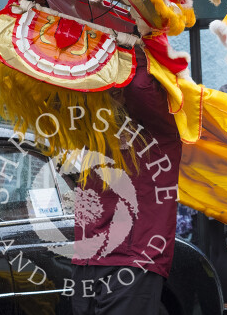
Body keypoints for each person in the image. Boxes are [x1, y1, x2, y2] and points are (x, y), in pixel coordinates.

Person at [71, 48, 182, 315]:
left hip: (136, 260)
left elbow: (143, 87)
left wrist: (131, 43)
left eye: (115, 89)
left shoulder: (161, 133)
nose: (108, 96)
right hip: (87, 258)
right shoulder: (96, 131)